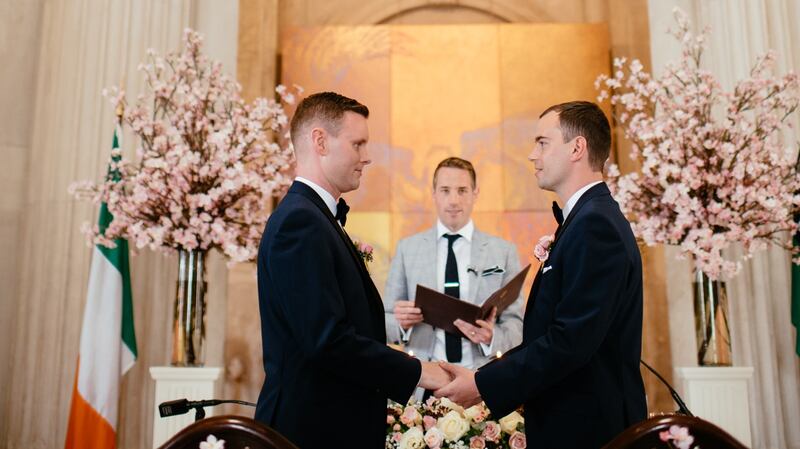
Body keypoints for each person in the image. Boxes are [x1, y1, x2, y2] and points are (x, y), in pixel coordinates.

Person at [436, 101, 647, 448]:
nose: (533, 155)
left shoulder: (595, 224)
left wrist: (482, 384)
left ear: (577, 148)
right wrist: (482, 378)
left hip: (587, 428)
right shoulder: (584, 220)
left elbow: (569, 341)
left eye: (543, 143)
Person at [254, 92, 449, 449]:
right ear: (320, 141)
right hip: (311, 430)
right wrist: (421, 372)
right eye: (357, 143)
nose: (367, 156)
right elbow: (327, 341)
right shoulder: (300, 221)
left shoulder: (316, 218)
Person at [385, 157, 524, 382]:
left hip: (482, 378)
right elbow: (384, 319)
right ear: (433, 194)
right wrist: (402, 324)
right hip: (424, 378)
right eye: (445, 190)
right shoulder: (406, 249)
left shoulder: (503, 251)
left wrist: (492, 338)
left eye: (462, 190)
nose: (453, 200)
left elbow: (516, 325)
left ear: (475, 193)